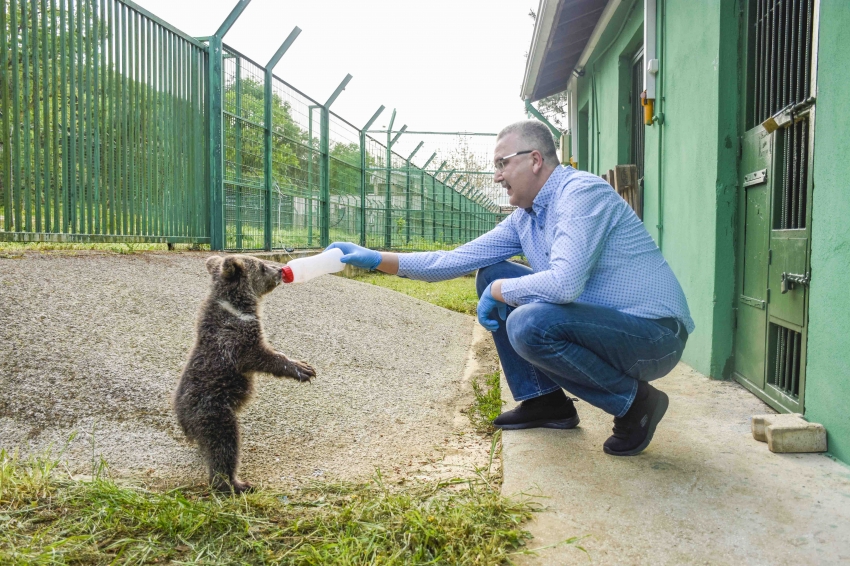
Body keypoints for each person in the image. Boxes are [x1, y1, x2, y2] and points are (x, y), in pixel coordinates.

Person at [327, 120, 693, 456]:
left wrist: (501, 290)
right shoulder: (526, 217)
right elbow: (452, 260)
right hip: (603, 326)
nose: (498, 177)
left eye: (502, 164)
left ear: (535, 159)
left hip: (653, 337)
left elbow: (564, 283)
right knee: (489, 273)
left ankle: (635, 403)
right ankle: (544, 400)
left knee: (528, 322)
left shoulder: (580, 194)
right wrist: (374, 258)